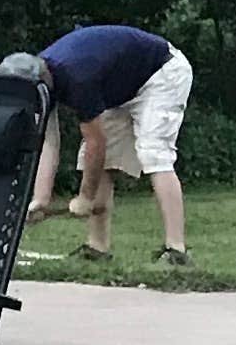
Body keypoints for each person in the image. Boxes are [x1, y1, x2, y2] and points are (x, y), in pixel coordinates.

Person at [24, 23, 192, 265]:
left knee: (155, 153)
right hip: (123, 87)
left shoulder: (76, 78)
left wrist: (85, 197)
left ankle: (176, 250)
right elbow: (49, 142)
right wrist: (40, 199)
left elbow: (97, 144)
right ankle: (97, 248)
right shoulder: (40, 79)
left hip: (162, 72)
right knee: (94, 160)